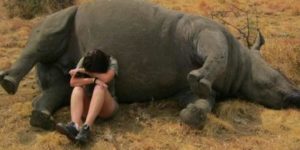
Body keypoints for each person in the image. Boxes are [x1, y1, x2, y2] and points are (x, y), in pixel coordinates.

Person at [56, 49, 119, 144]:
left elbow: (106, 78)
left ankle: (86, 128)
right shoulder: (85, 60)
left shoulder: (111, 62)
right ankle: (75, 126)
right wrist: (93, 80)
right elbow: (73, 82)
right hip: (88, 105)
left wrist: (86, 72)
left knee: (100, 87)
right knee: (77, 89)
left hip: (106, 107)